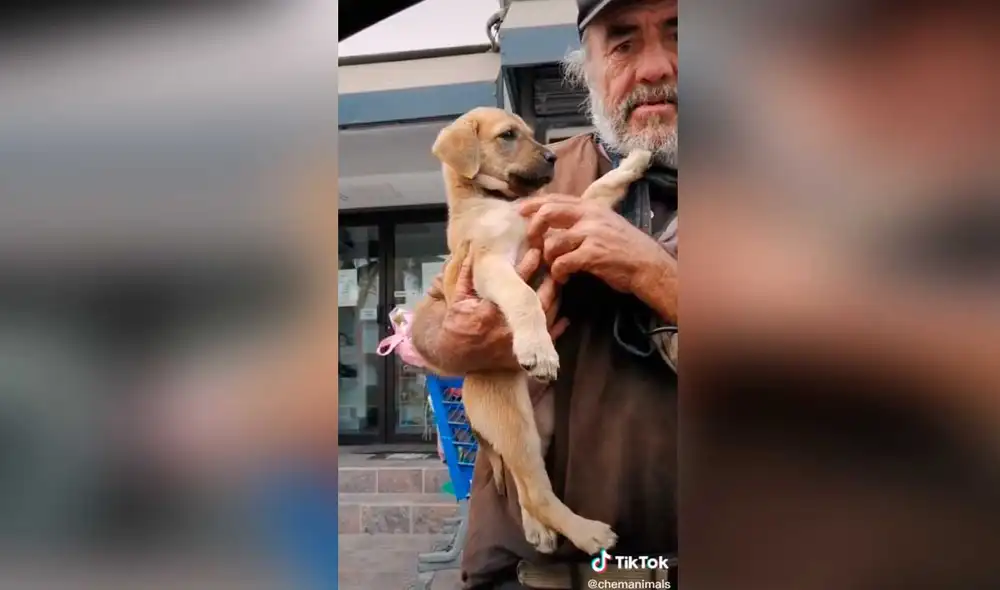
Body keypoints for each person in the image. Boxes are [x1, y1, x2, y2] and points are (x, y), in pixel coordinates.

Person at [410, 1, 679, 588]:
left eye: (679, 34)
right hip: (533, 574)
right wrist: (455, 337)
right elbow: (429, 320)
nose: (655, 66)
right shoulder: (535, 177)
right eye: (623, 44)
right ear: (589, 66)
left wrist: (659, 277)